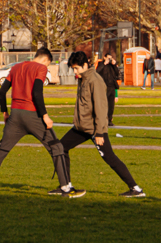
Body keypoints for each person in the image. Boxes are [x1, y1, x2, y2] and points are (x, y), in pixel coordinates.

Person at [0, 48, 81, 198]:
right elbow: (36, 93)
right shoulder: (40, 68)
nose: (46, 68)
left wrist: (5, 113)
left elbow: (1, 92)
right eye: (48, 65)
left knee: (2, 151)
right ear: (45, 60)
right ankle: (66, 188)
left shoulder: (15, 67)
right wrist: (45, 116)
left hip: (15, 115)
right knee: (56, 147)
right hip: (32, 115)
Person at [59, 52, 145, 197]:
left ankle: (135, 189)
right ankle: (66, 186)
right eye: (73, 69)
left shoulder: (95, 80)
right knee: (60, 148)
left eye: (76, 69)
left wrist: (99, 132)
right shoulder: (84, 79)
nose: (75, 72)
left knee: (110, 158)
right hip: (82, 127)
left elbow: (100, 108)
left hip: (94, 129)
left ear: (85, 66)